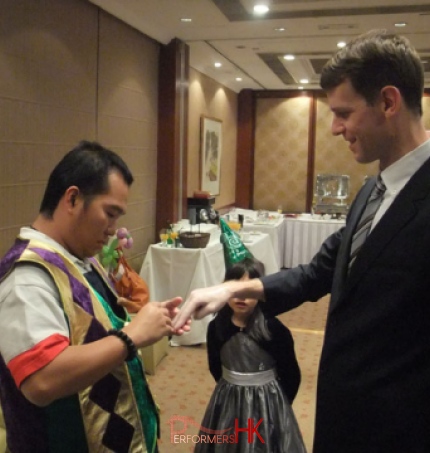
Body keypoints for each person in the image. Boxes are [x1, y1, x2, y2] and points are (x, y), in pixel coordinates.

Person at [174, 30, 430, 453]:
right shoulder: (370, 191)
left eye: (344, 113)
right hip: (342, 418)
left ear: (388, 102)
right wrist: (230, 289)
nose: (334, 128)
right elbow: (316, 274)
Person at [0, 141, 188, 453]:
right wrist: (131, 336)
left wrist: (138, 318)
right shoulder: (27, 276)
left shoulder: (78, 258)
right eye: (109, 214)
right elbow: (41, 380)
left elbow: (85, 327)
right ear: (72, 199)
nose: (114, 230)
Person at [194, 258, 305, 453]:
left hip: (267, 402)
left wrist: (279, 405)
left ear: (261, 293)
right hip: (228, 398)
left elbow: (290, 374)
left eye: (248, 291)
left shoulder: (273, 329)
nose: (241, 297)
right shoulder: (217, 328)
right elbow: (215, 366)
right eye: (235, 290)